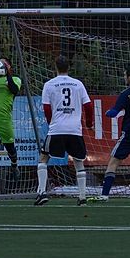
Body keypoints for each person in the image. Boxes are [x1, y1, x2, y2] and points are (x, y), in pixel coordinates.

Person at [34, 55, 93, 206]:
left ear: (55, 67)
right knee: (79, 163)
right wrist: (89, 123)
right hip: (74, 130)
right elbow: (88, 105)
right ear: (69, 67)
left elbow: (46, 108)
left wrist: (51, 122)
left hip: (57, 129)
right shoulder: (78, 84)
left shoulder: (49, 84)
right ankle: (82, 197)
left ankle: (41, 193)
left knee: (43, 158)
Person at [99, 66, 130, 203]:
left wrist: (107, 112)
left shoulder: (126, 94)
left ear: (129, 78)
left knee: (113, 162)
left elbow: (114, 113)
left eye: (124, 75)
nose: (124, 77)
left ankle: (104, 194)